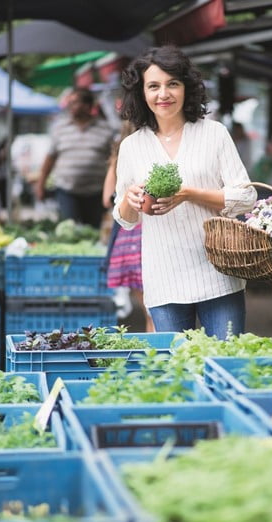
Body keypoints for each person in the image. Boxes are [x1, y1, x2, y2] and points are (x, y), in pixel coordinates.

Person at [112, 45, 257, 339]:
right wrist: (131, 200)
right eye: (153, 86)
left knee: (225, 363)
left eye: (172, 84)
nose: (163, 94)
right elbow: (124, 218)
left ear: (186, 89)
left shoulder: (214, 133)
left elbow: (246, 197)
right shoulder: (132, 146)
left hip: (219, 272)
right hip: (163, 277)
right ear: (141, 92)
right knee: (177, 373)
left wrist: (189, 194)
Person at [35, 87, 115, 227]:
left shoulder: (105, 129)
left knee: (92, 231)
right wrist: (41, 184)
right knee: (69, 230)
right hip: (67, 191)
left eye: (75, 102)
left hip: (96, 192)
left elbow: (113, 161)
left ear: (87, 105)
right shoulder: (60, 127)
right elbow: (50, 158)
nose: (70, 106)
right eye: (69, 102)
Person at [103, 121, 154, 332]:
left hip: (129, 239)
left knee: (148, 309)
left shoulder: (120, 154)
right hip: (148, 236)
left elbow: (107, 198)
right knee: (157, 311)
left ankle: (154, 356)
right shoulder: (158, 149)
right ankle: (158, 356)